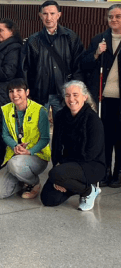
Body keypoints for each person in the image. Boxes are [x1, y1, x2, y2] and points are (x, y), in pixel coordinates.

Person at [41, 81, 105, 211]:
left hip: (92, 165)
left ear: (84, 97)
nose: (71, 99)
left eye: (75, 95)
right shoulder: (60, 116)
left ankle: (89, 191)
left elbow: (91, 153)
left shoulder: (93, 120)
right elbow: (57, 146)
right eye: (68, 95)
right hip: (68, 164)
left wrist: (63, 172)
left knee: (56, 174)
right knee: (48, 199)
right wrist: (59, 166)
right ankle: (74, 185)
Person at [21, 0, 84, 119]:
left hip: (64, 93)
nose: (48, 17)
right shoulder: (33, 40)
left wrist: (76, 90)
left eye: (52, 13)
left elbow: (78, 65)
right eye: (45, 14)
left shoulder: (70, 37)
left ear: (59, 15)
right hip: (39, 93)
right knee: (37, 129)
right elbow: (26, 68)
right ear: (40, 16)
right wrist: (27, 90)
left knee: (63, 129)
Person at [81, 4, 121, 187]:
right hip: (103, 98)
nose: (113, 20)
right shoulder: (99, 39)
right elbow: (85, 64)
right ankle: (103, 171)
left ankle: (118, 172)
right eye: (111, 17)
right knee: (104, 136)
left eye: (118, 16)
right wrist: (97, 53)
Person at [0, 78, 50, 199]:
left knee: (15, 164)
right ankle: (21, 181)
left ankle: (34, 182)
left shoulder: (40, 110)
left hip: (37, 156)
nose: (15, 94)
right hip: (15, 155)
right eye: (11, 91)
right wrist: (14, 146)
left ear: (27, 92)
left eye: (19, 90)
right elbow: (5, 135)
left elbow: (45, 139)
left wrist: (29, 151)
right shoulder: (7, 109)